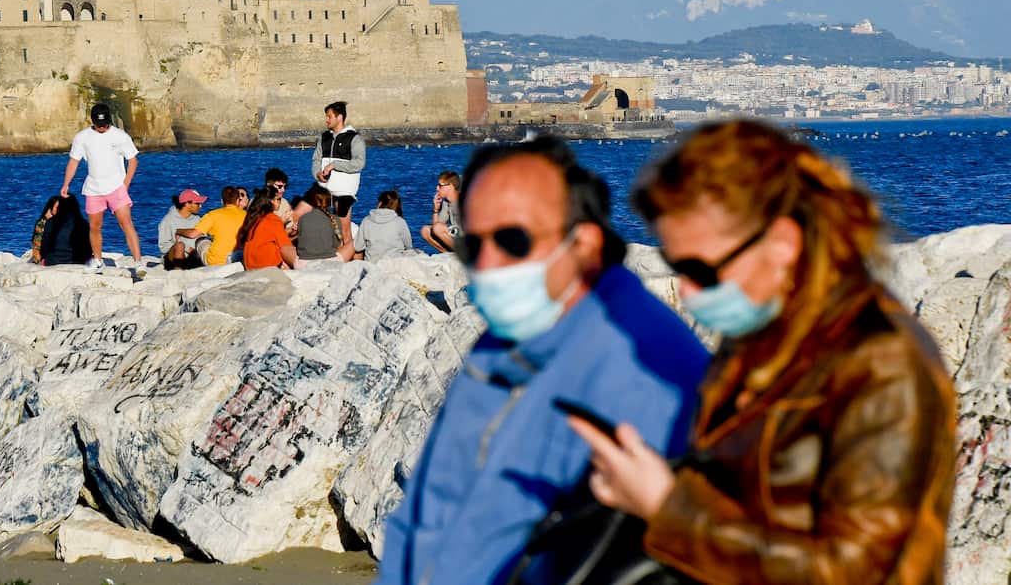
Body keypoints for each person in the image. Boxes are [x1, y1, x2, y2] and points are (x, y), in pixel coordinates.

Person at [570, 120, 956, 585]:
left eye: (702, 270)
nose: (688, 293)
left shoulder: (884, 362)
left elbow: (857, 571)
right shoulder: (762, 338)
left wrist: (666, 507)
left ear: (782, 243)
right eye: (678, 267)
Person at [376, 136, 709, 585]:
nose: (488, 263)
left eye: (513, 240)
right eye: (475, 245)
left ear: (584, 244)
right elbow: (428, 504)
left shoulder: (645, 367)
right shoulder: (506, 337)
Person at [60, 103, 143, 273]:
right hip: (93, 189)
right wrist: (66, 184)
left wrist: (125, 184)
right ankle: (98, 261)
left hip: (116, 187)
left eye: (105, 124)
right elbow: (74, 161)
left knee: (126, 223)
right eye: (99, 125)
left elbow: (133, 160)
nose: (102, 128)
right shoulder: (82, 137)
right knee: (95, 226)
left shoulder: (120, 136)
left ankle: (138, 262)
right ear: (93, 122)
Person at [312, 100, 364, 247]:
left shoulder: (354, 138)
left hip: (344, 191)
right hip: (324, 190)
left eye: (329, 116)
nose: (326, 119)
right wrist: (317, 174)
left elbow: (359, 163)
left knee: (344, 230)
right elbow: (316, 159)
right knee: (325, 228)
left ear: (339, 117)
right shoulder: (323, 137)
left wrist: (335, 165)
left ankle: (347, 263)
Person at [178, 186, 247, 266]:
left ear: (222, 201)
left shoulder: (213, 215)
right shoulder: (247, 215)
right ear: (238, 200)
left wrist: (179, 231)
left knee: (201, 239)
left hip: (216, 261)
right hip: (239, 258)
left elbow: (192, 234)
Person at [239, 189, 297, 270]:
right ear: (271, 201)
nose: (281, 202)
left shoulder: (253, 218)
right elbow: (285, 246)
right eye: (278, 199)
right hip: (267, 264)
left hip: (250, 264)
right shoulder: (273, 219)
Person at [295, 186, 354, 264]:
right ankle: (355, 264)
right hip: (330, 262)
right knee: (355, 242)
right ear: (330, 202)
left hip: (303, 262)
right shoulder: (335, 219)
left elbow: (300, 241)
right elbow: (336, 245)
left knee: (286, 248)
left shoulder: (303, 218)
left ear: (313, 202)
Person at [354, 190, 413, 261]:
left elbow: (358, 247)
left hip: (372, 265)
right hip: (394, 264)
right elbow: (409, 246)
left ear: (380, 203)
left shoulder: (366, 221)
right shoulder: (400, 222)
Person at [158, 189, 207, 270]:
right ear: (187, 204)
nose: (200, 206)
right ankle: (178, 274)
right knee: (180, 246)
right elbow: (163, 247)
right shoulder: (168, 220)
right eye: (197, 203)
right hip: (173, 258)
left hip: (193, 256)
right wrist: (187, 249)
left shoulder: (198, 219)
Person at [39, 193, 91, 266]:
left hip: (52, 260)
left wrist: (44, 258)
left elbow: (44, 244)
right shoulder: (82, 223)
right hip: (76, 261)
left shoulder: (50, 222)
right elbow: (88, 248)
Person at [420, 171, 462, 253]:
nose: (437, 188)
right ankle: (448, 254)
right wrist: (436, 209)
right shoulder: (446, 202)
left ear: (450, 186)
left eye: (440, 186)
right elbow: (436, 227)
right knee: (425, 230)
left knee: (438, 228)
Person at [265, 167, 295, 233]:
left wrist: (292, 229)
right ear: (268, 185)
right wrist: (280, 222)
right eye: (280, 186)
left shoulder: (284, 203)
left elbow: (286, 230)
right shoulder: (257, 204)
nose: (283, 190)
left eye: (285, 187)